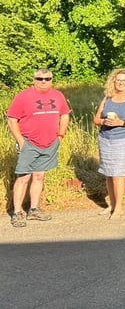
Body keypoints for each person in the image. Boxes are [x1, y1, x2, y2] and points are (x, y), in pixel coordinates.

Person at [7, 69, 71, 227]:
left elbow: (65, 114)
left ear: (52, 80)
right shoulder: (24, 96)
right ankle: (17, 212)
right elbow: (11, 119)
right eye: (40, 78)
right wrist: (21, 141)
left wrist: (60, 136)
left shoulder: (58, 95)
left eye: (47, 78)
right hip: (29, 143)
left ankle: (34, 209)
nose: (44, 81)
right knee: (23, 178)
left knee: (39, 176)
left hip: (49, 143)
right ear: (34, 79)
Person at [93, 69, 125, 219]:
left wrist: (120, 123)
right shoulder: (107, 98)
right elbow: (96, 119)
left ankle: (119, 209)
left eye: (124, 80)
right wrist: (104, 121)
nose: (121, 83)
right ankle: (112, 204)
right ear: (113, 82)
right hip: (105, 138)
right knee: (109, 174)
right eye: (118, 80)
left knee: (117, 174)